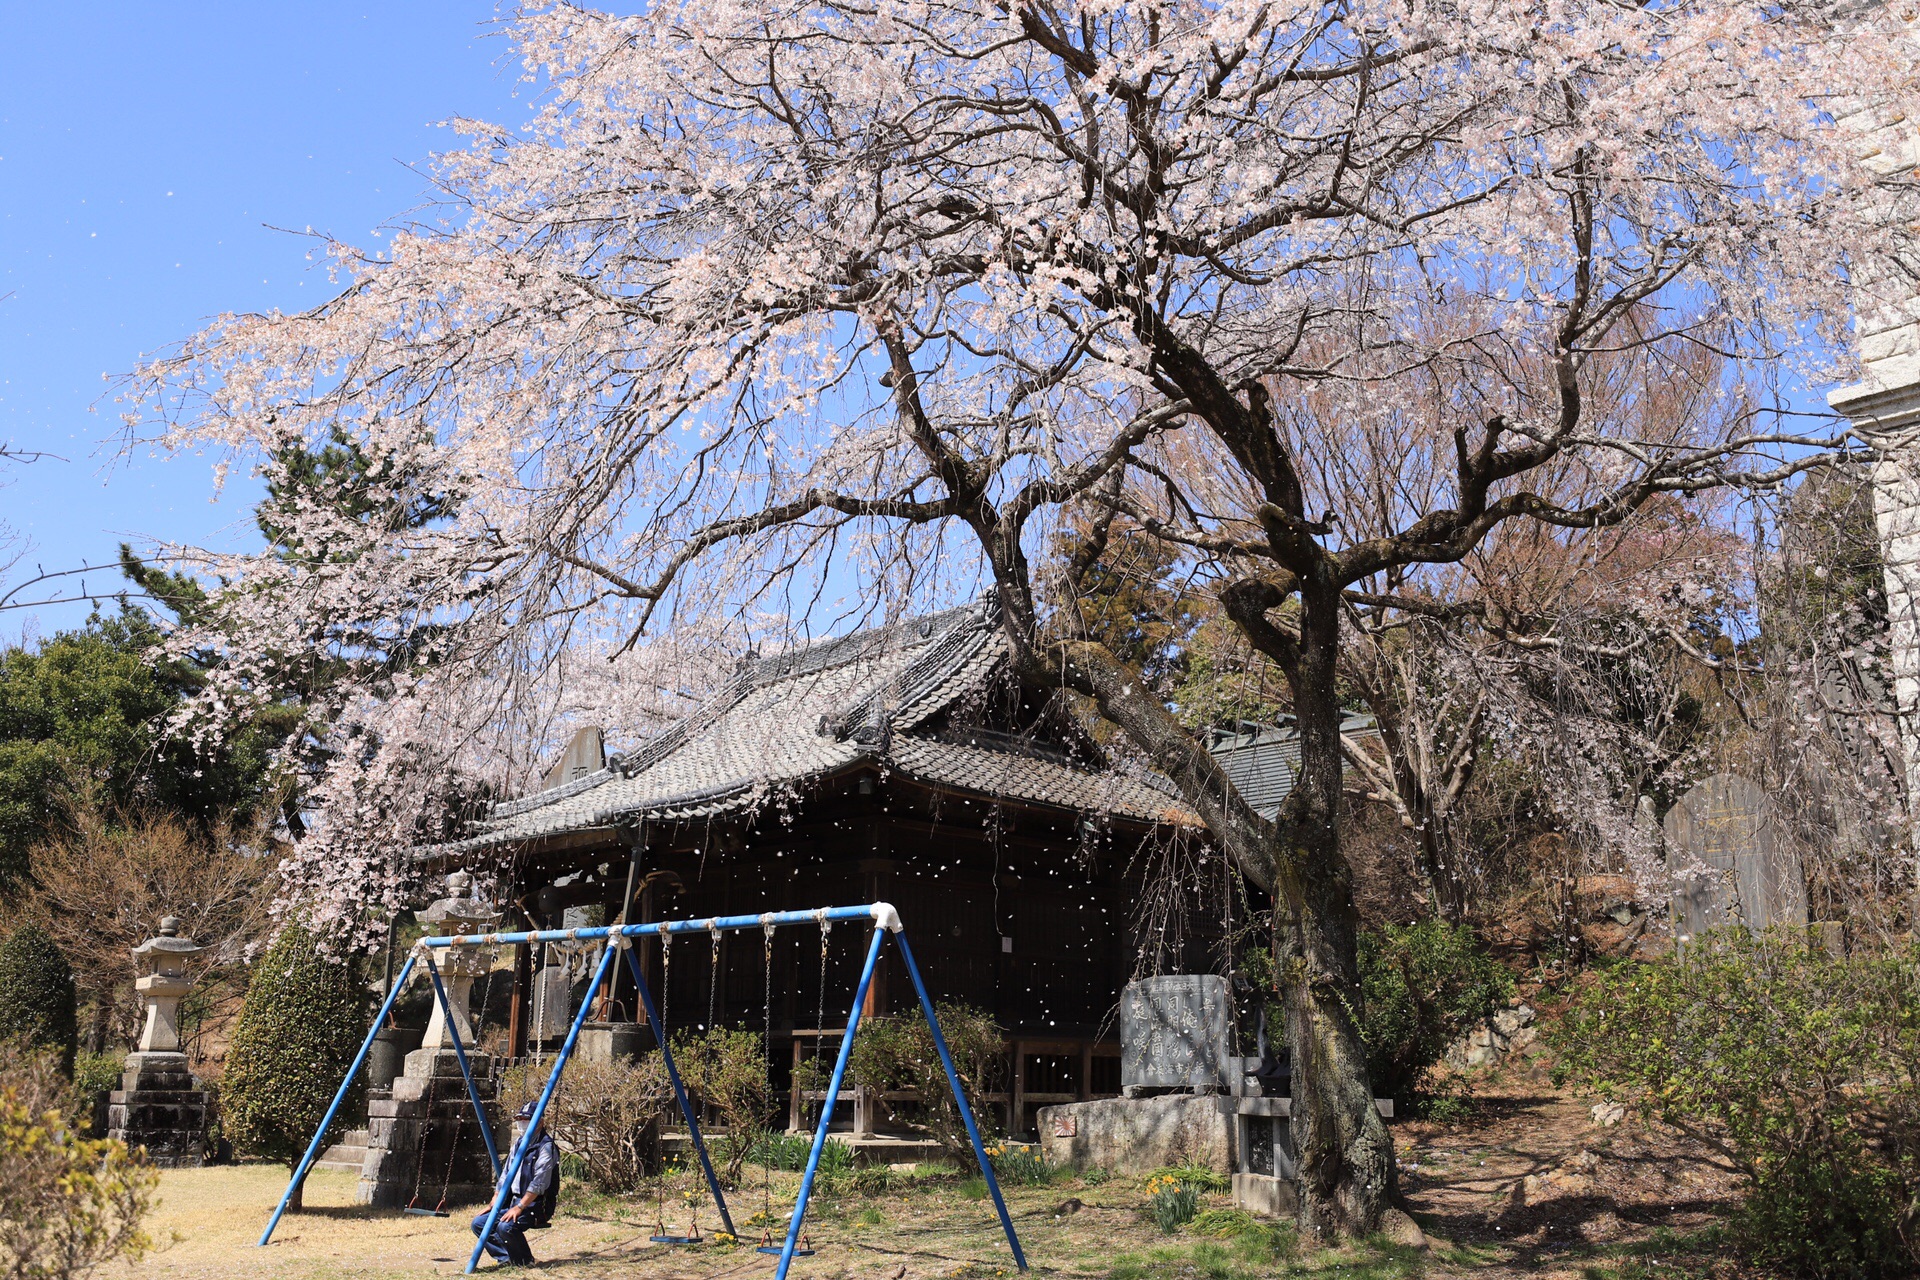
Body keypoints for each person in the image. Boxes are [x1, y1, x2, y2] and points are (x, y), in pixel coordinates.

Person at [471, 1102, 559, 1267]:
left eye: (527, 1119)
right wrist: (494, 1202)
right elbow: (505, 1176)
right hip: (513, 1201)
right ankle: (506, 1257)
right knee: (479, 1223)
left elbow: (539, 1183)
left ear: (539, 1122)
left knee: (506, 1227)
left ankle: (525, 1261)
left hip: (536, 1205)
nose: (522, 1123)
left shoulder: (546, 1147)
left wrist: (519, 1207)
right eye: (520, 1119)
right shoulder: (518, 1144)